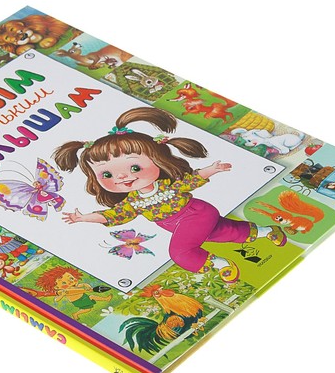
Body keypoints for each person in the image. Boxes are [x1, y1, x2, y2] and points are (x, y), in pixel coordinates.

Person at [54, 107, 286, 284]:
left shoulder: (166, 186)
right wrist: (83, 218)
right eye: (107, 174)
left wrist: (211, 169)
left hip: (195, 214)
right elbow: (113, 216)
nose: (122, 177)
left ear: (157, 160)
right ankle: (267, 231)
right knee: (224, 232)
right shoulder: (132, 202)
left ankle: (220, 264)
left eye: (134, 167)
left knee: (181, 252)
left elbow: (190, 181)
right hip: (179, 223)